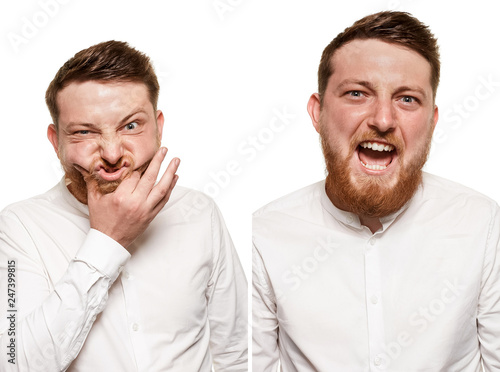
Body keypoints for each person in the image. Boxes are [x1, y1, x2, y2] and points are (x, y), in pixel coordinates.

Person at [252, 11, 500, 371]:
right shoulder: (263, 235)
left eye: (407, 99)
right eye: (357, 93)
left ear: (432, 121)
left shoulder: (484, 224)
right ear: (317, 113)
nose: (383, 119)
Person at [0, 40, 247, 371]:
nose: (113, 154)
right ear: (56, 141)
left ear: (158, 126)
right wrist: (107, 241)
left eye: (131, 126)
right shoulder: (20, 227)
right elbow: (14, 363)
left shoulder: (199, 213)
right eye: (85, 132)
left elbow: (235, 352)